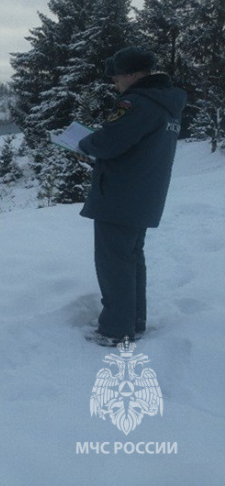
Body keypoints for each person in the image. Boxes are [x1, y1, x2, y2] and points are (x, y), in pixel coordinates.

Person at [79, 45, 186, 347]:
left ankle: (115, 330)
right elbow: (135, 149)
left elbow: (108, 141)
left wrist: (84, 144)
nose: (115, 84)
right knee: (130, 261)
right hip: (143, 196)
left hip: (119, 197)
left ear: (134, 75)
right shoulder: (166, 105)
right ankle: (133, 322)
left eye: (117, 78)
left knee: (114, 265)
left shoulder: (137, 103)